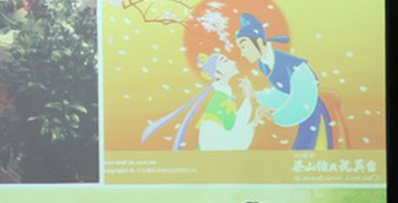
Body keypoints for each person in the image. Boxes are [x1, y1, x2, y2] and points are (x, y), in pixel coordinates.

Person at [234, 12, 335, 150]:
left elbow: (303, 99)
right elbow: (282, 93)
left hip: (313, 113)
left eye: (243, 46)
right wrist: (255, 95)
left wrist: (275, 116)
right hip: (302, 115)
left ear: (259, 42)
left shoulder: (294, 65)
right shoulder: (263, 64)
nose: (242, 53)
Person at [141, 52, 260, 150]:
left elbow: (233, 125)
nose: (233, 62)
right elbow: (218, 141)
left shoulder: (225, 94)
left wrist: (249, 103)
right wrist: (249, 103)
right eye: (225, 61)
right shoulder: (217, 98)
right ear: (217, 72)